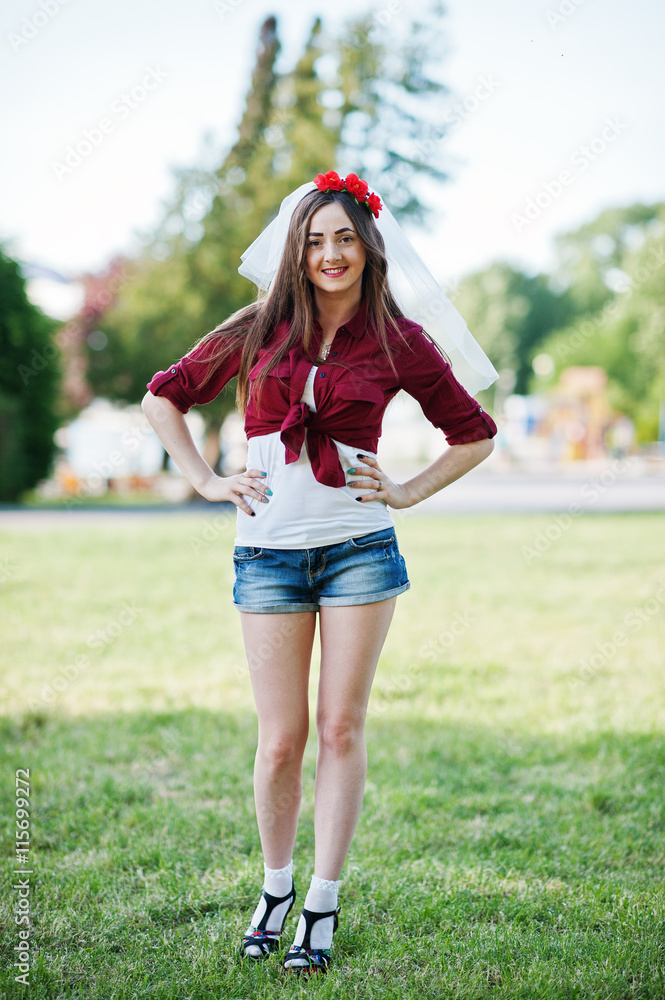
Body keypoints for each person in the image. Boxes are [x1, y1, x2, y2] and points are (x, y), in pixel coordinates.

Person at [141, 169, 498, 975]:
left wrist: (404, 491)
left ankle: (322, 904)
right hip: (267, 556)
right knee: (280, 743)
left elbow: (473, 433)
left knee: (340, 729)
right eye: (313, 241)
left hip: (359, 553)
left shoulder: (399, 339)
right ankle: (273, 889)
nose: (329, 254)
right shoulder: (257, 326)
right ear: (294, 252)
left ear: (368, 246)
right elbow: (164, 397)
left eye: (343, 238)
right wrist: (204, 479)